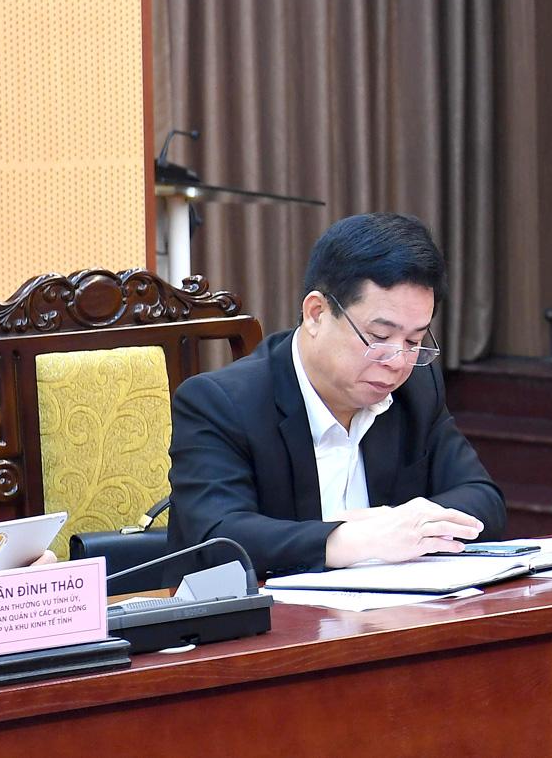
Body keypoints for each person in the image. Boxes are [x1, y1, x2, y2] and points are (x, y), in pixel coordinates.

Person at [168, 213, 506, 576]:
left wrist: (405, 525)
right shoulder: (220, 403)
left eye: (414, 341)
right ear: (316, 314)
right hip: (271, 623)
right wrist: (355, 539)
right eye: (379, 337)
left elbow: (483, 499)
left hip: (392, 617)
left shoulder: (417, 389)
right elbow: (217, 540)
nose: (398, 362)